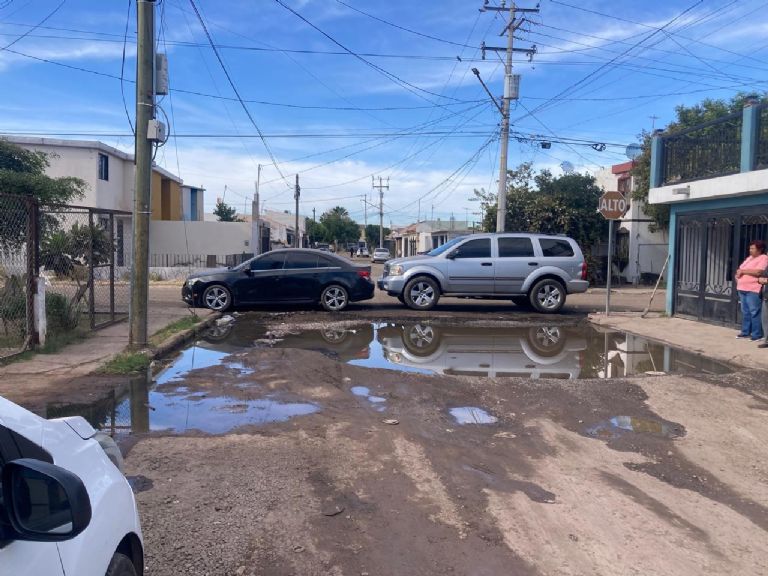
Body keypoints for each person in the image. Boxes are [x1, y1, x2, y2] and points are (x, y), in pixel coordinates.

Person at [735, 240, 768, 341]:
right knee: (745, 311)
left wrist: (743, 271)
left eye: (753, 248)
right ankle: (745, 332)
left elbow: (759, 272)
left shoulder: (763, 258)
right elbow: (739, 269)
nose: (750, 250)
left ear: (760, 249)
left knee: (754, 311)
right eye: (750, 248)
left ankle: (756, 334)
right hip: (742, 288)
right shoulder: (749, 258)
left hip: (752, 289)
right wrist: (738, 275)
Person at [759, 266, 768, 349]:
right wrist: (760, 280)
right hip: (765, 296)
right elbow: (761, 278)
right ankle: (766, 340)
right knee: (765, 319)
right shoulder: (767, 267)